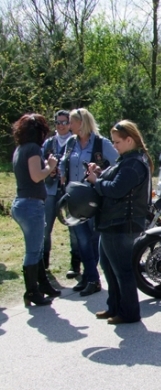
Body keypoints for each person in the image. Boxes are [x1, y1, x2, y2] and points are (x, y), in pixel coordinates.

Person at [85, 120, 153, 324]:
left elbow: (116, 189)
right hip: (113, 223)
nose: (114, 146)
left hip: (121, 225)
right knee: (108, 267)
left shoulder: (133, 164)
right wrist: (100, 174)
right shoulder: (128, 160)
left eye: (117, 142)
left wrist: (96, 182)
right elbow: (116, 181)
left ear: (129, 140)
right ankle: (115, 307)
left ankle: (129, 313)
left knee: (122, 270)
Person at [59, 108, 118, 296]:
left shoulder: (101, 143)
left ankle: (90, 277)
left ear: (82, 122)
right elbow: (63, 162)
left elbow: (118, 164)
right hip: (74, 197)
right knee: (82, 239)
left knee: (92, 239)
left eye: (72, 122)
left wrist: (100, 174)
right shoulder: (71, 142)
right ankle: (91, 277)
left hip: (93, 197)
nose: (69, 125)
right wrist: (60, 171)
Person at [11, 113, 60, 306]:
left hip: (22, 203)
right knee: (33, 250)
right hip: (31, 205)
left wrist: (46, 166)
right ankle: (31, 291)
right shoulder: (32, 148)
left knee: (37, 247)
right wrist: (50, 166)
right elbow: (36, 176)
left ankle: (43, 285)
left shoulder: (20, 148)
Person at [42, 110, 80, 277]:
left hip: (69, 190)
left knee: (73, 229)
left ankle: (75, 265)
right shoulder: (49, 143)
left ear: (70, 124)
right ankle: (43, 263)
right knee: (45, 228)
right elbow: (40, 163)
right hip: (50, 190)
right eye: (57, 123)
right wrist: (48, 169)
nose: (61, 126)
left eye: (64, 122)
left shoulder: (75, 142)